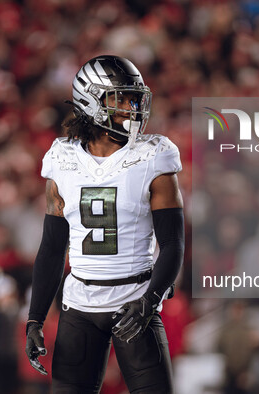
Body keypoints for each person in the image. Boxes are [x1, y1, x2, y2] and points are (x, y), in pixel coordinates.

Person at [24, 55, 184, 393]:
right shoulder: (61, 159)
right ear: (91, 101)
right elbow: (53, 248)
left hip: (134, 300)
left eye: (133, 97)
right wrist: (35, 318)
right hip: (79, 305)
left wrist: (150, 300)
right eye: (120, 98)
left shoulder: (153, 156)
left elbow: (173, 243)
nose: (131, 106)